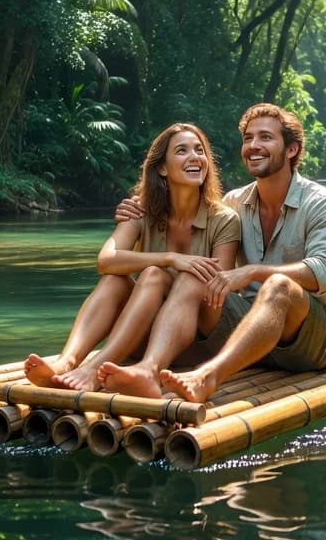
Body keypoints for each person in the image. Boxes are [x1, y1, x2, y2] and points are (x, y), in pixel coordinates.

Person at [97, 103, 326, 403]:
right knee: (197, 277)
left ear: (292, 149)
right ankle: (148, 371)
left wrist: (251, 272)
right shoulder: (234, 203)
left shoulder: (322, 203)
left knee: (278, 285)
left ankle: (207, 377)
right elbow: (196, 222)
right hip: (252, 330)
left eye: (266, 138)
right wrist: (141, 206)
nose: (254, 146)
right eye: (248, 138)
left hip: (317, 335)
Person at [23, 123, 240, 390]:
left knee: (176, 277)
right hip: (140, 335)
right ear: (162, 167)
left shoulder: (224, 219)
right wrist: (169, 258)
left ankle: (94, 369)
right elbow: (106, 260)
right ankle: (67, 361)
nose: (195, 157)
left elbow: (219, 293)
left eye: (200, 150)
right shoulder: (140, 209)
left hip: (195, 345)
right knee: (117, 279)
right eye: (182, 151)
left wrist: (177, 274)